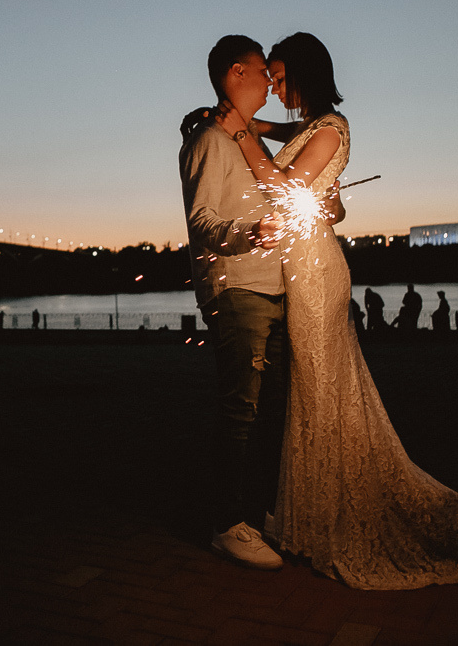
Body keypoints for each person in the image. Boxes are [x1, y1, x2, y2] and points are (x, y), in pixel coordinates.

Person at [215, 32, 458, 589]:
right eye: (265, 76)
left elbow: (280, 186)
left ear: (304, 72)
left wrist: (240, 133)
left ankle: (336, 523)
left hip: (318, 275)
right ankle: (310, 516)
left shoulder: (334, 128)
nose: (271, 85)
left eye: (277, 75)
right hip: (302, 268)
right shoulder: (311, 128)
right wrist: (235, 120)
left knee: (322, 391)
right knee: (311, 394)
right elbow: (292, 152)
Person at [178, 35, 293, 570]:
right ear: (235, 72)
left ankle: (259, 512)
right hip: (236, 288)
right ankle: (227, 524)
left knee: (270, 409)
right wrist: (251, 233)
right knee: (239, 410)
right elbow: (201, 222)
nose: (271, 82)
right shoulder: (207, 140)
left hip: (273, 287)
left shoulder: (246, 138)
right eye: (261, 72)